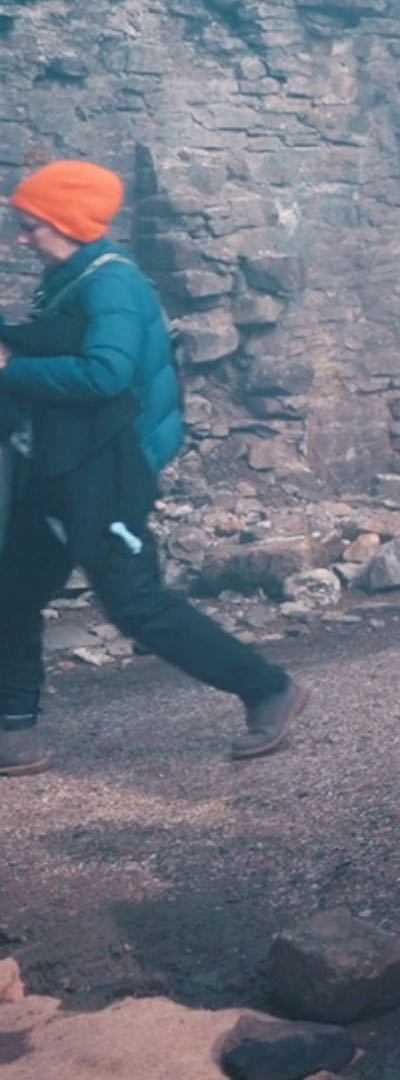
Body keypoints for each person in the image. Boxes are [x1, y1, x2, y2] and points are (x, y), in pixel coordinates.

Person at [0, 160, 310, 777]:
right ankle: (14, 733)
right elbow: (59, 342)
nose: (22, 239)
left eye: (32, 226)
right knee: (11, 592)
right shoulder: (71, 276)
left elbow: (105, 374)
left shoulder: (111, 285)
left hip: (108, 474)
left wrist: (9, 368)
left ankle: (269, 689)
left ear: (68, 223)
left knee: (134, 602)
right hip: (63, 466)